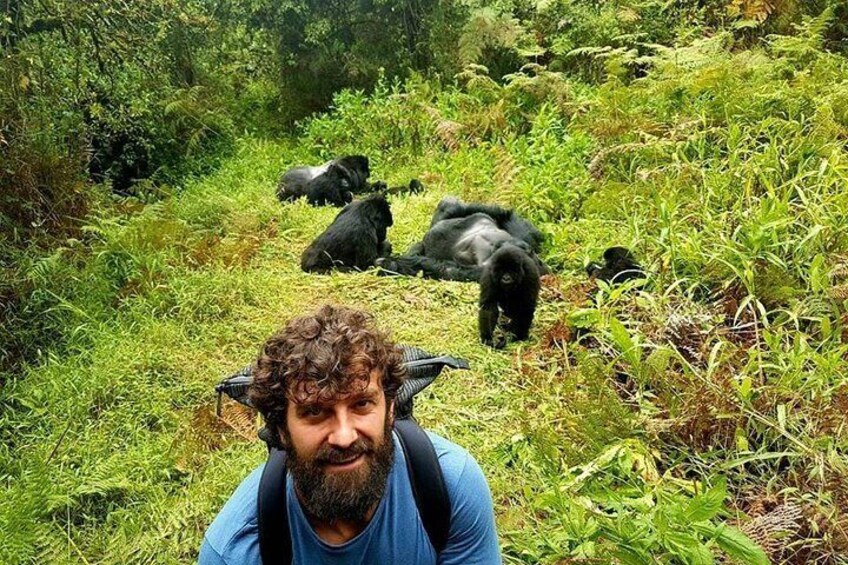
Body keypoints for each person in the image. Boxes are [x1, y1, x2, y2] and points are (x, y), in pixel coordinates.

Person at [199, 304, 501, 564]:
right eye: (315, 412)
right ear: (282, 430)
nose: (344, 437)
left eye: (362, 404)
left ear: (391, 408)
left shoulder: (449, 485)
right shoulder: (236, 550)